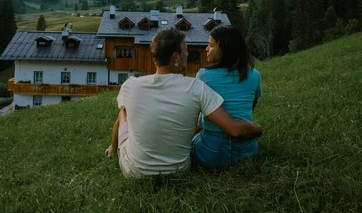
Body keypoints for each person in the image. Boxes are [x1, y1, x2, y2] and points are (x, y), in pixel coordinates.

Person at [106, 27, 262, 178]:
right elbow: (233, 126)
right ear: (175, 57)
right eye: (185, 50)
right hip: (179, 169)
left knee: (123, 112)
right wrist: (257, 128)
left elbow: (120, 104)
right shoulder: (196, 87)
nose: (188, 53)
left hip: (134, 171)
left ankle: (112, 149)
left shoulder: (131, 85)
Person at [192, 25, 262, 170]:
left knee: (192, 141)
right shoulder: (255, 75)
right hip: (246, 148)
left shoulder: (204, 75)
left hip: (211, 149)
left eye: (210, 45)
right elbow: (251, 105)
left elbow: (198, 113)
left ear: (224, 49)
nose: (206, 49)